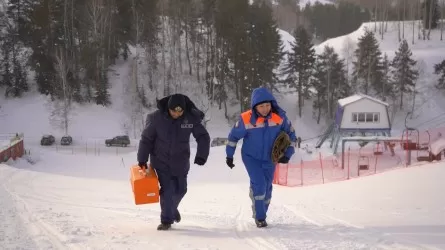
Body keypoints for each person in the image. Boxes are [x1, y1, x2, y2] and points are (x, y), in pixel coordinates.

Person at [137, 93, 211, 231]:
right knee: (168, 190)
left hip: (181, 162)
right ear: (168, 109)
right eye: (173, 111)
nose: (176, 114)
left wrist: (202, 155)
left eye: (179, 111)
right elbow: (146, 139)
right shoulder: (156, 118)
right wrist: (142, 159)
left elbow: (203, 136)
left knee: (181, 190)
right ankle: (166, 220)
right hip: (161, 162)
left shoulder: (190, 119)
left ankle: (171, 209)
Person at [225, 87, 296, 228]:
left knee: (268, 188)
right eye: (261, 106)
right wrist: (229, 155)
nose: (265, 109)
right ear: (255, 106)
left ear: (272, 104)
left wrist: (287, 154)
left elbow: (292, 135)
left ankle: (260, 209)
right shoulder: (246, 119)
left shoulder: (280, 118)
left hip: (271, 158)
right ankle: (260, 217)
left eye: (267, 105)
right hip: (251, 158)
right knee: (260, 184)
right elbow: (233, 137)